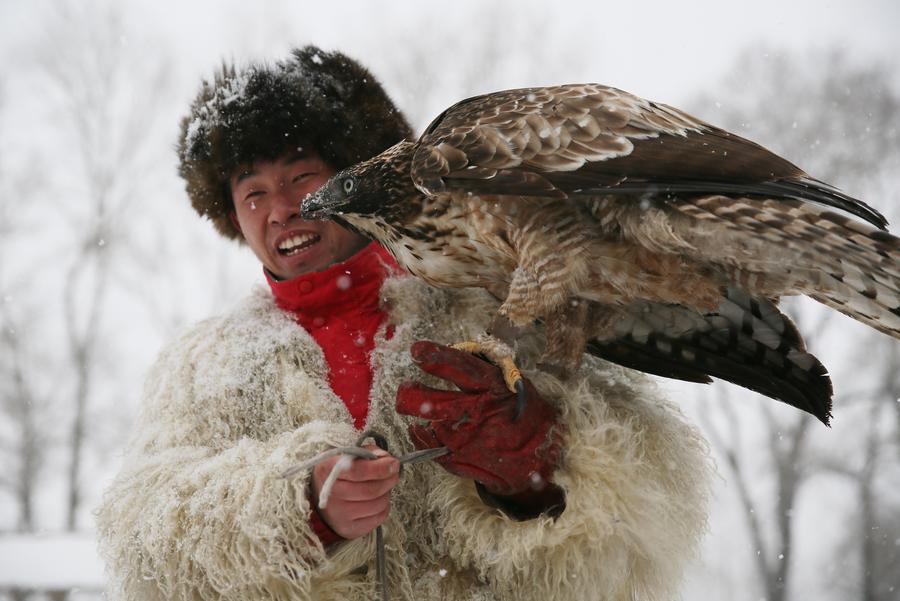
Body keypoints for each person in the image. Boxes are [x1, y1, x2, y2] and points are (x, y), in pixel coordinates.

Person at [96, 46, 712, 601]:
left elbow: (650, 499)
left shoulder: (500, 301)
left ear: (355, 176)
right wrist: (300, 506)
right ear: (230, 215)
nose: (282, 209)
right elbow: (146, 539)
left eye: (301, 176)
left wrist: (533, 463)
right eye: (252, 192)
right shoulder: (202, 365)